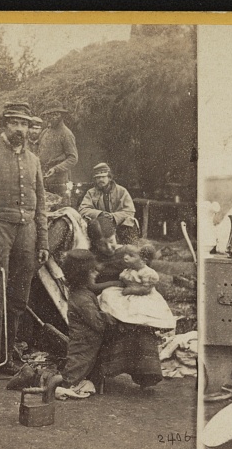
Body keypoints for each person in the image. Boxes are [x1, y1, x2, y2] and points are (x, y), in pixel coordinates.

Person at [0, 102, 50, 373]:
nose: (20, 128)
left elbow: (41, 205)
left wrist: (43, 242)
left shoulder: (34, 160)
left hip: (27, 234)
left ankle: (9, 358)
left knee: (18, 298)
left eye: (24, 123)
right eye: (14, 122)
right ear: (4, 124)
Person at [94, 244, 169, 390]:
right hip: (126, 296)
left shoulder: (148, 273)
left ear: (144, 259)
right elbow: (122, 282)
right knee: (109, 298)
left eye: (131, 256)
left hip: (140, 298)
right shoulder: (127, 270)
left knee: (139, 321)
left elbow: (146, 289)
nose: (125, 258)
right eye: (125, 255)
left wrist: (132, 290)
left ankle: (145, 374)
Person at [58, 249, 116, 398]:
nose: (96, 273)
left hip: (88, 342)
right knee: (71, 377)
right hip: (85, 344)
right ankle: (35, 377)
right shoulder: (82, 299)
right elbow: (98, 324)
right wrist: (106, 316)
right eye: (92, 271)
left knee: (79, 368)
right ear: (82, 275)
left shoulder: (82, 292)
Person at [78, 163, 140, 246]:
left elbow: (130, 210)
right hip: (100, 225)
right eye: (97, 178)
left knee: (130, 221)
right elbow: (83, 209)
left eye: (103, 177)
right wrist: (100, 214)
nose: (100, 180)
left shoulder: (121, 191)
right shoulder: (91, 192)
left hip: (118, 224)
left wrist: (113, 217)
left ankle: (131, 249)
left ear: (109, 178)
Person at [37, 100, 78, 202]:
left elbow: (73, 158)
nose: (52, 117)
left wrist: (56, 169)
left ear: (61, 116)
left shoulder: (66, 134)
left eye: (55, 114)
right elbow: (39, 152)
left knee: (60, 207)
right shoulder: (45, 132)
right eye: (49, 115)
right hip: (44, 177)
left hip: (60, 180)